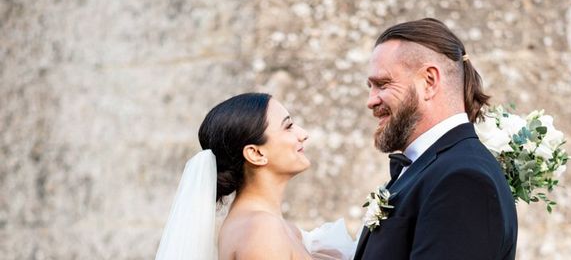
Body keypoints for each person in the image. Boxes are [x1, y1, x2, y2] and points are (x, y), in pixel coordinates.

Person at [354, 18, 518, 260]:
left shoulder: (463, 180)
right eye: (371, 87)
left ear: (429, 81)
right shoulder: (430, 169)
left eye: (383, 84)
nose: (371, 100)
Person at [155, 92, 354, 260]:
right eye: (288, 126)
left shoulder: (275, 227)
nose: (303, 134)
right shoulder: (262, 230)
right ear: (256, 154)